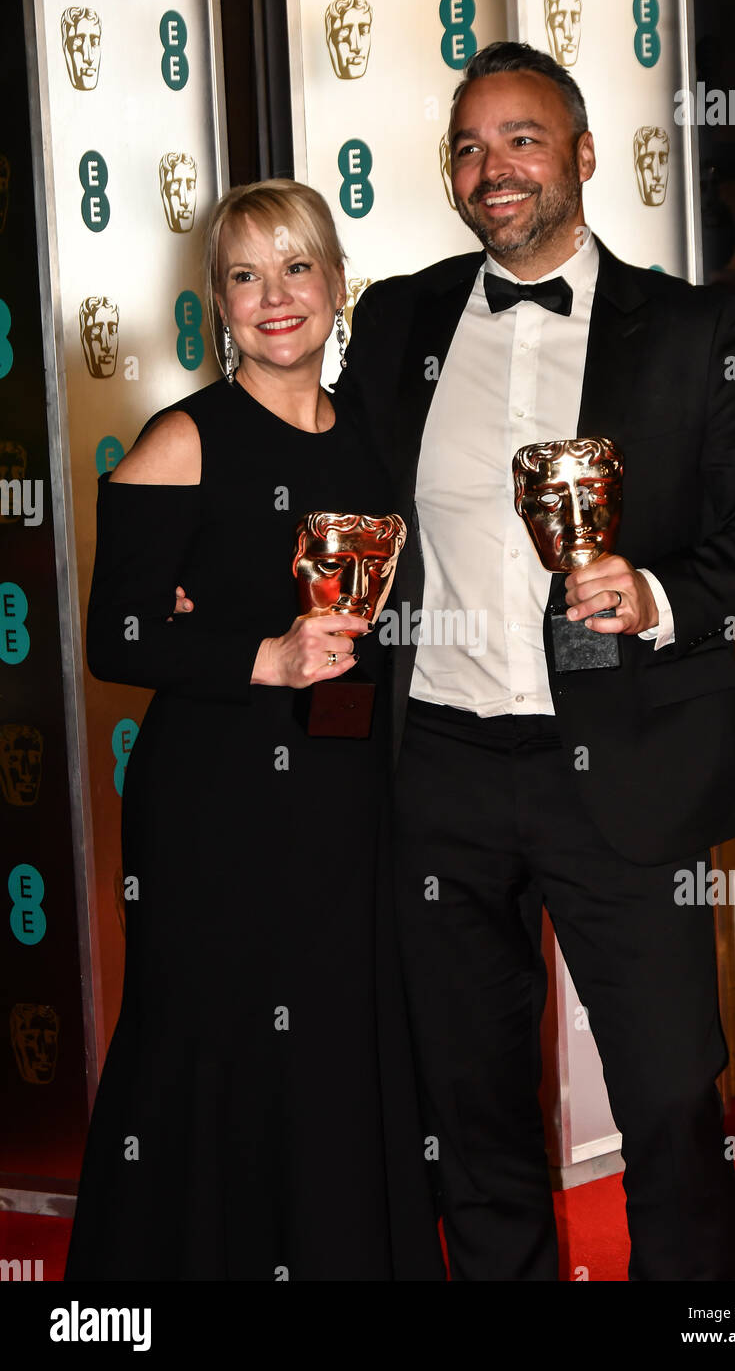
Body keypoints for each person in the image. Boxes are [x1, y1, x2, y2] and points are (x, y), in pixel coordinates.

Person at [335, 42, 735, 1281]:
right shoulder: (399, 314)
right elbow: (326, 487)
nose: (490, 168)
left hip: (623, 769)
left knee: (668, 1096)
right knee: (469, 1097)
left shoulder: (692, 327)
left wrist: (658, 591)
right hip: (438, 767)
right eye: (467, 144)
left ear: (583, 157)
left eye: (521, 139)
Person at [65, 179, 444, 1282]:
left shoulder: (373, 443)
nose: (274, 297)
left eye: (295, 268)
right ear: (216, 304)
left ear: (335, 286)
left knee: (337, 1042)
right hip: (217, 810)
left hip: (346, 789)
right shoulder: (182, 438)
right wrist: (257, 653)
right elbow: (116, 635)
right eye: (244, 275)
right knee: (215, 1043)